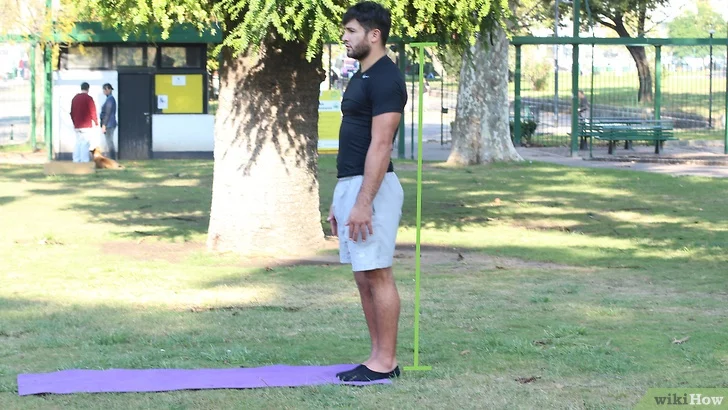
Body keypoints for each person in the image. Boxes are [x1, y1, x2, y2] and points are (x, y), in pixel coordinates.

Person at [327, 1, 407, 382]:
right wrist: (341, 200)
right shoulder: (361, 76)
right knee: (363, 276)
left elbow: (381, 144)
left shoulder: (386, 78)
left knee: (377, 274)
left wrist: (363, 202)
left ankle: (385, 362)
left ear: (374, 35)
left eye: (351, 31)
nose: (344, 37)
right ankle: (376, 357)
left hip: (373, 188)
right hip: (352, 184)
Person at [70, 82, 98, 162]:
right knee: (85, 143)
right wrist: (96, 122)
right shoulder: (89, 98)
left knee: (78, 142)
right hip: (86, 125)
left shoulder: (75, 98)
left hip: (77, 125)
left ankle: (76, 159)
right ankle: (84, 160)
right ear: (88, 89)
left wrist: (74, 122)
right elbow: (92, 111)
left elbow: (72, 112)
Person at [100, 83, 118, 159]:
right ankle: (111, 157)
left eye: (104, 90)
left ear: (108, 89)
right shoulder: (109, 99)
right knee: (109, 141)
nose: (104, 91)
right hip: (109, 123)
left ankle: (113, 158)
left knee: (109, 141)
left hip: (109, 124)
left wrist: (104, 125)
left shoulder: (110, 100)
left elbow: (107, 113)